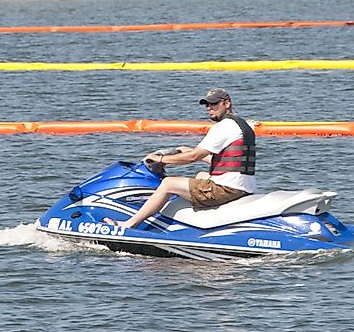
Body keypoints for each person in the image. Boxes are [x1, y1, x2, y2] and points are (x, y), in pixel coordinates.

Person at [105, 88, 257, 229]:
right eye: (207, 105)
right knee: (201, 176)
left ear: (226, 103)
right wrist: (187, 149)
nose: (209, 108)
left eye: (214, 104)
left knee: (168, 183)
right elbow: (225, 161)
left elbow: (193, 157)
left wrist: (161, 159)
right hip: (243, 187)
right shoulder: (242, 125)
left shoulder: (224, 126)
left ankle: (128, 224)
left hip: (227, 189)